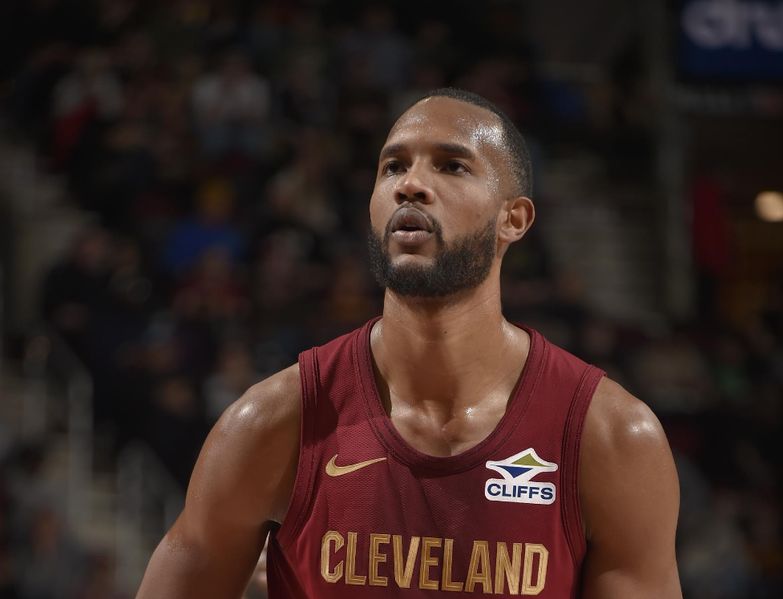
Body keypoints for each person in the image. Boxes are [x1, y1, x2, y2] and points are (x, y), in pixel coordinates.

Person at [135, 88, 682, 598]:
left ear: (512, 219)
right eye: (393, 166)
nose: (411, 184)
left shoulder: (609, 438)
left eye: (451, 165)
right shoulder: (273, 423)